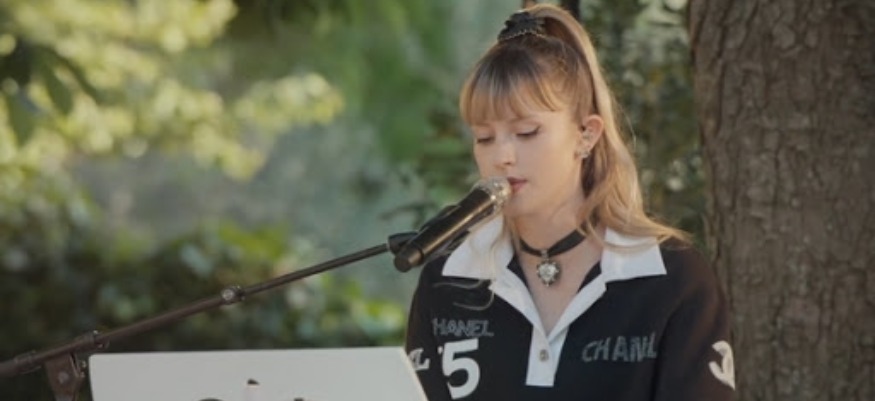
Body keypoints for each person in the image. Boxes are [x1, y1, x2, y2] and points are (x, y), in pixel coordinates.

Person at [404, 4, 735, 401]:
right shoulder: (447, 278)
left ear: (586, 134)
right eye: (484, 137)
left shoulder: (673, 279)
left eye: (527, 132)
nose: (502, 156)